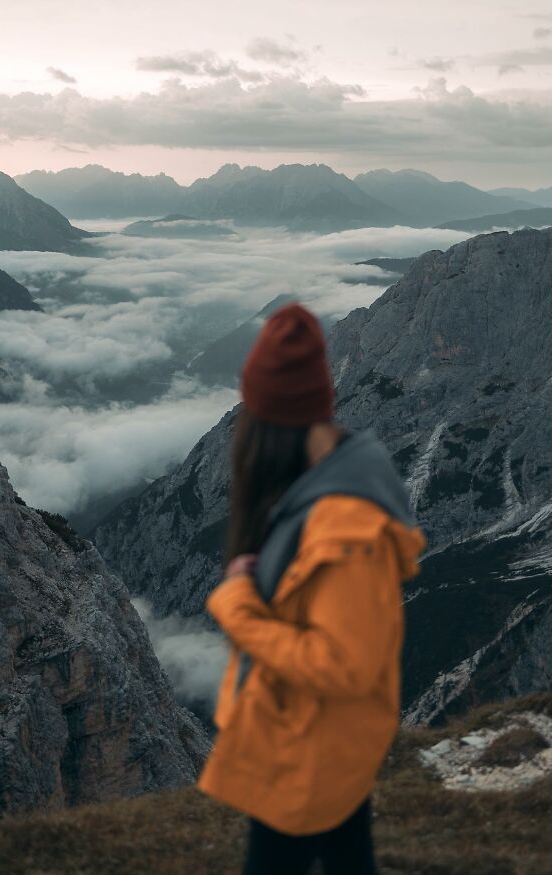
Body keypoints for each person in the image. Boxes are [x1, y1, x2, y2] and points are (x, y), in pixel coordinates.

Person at [196, 302, 427, 875]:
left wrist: (238, 606)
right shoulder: (328, 487)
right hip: (324, 742)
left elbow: (341, 664)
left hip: (308, 753)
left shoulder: (345, 527)